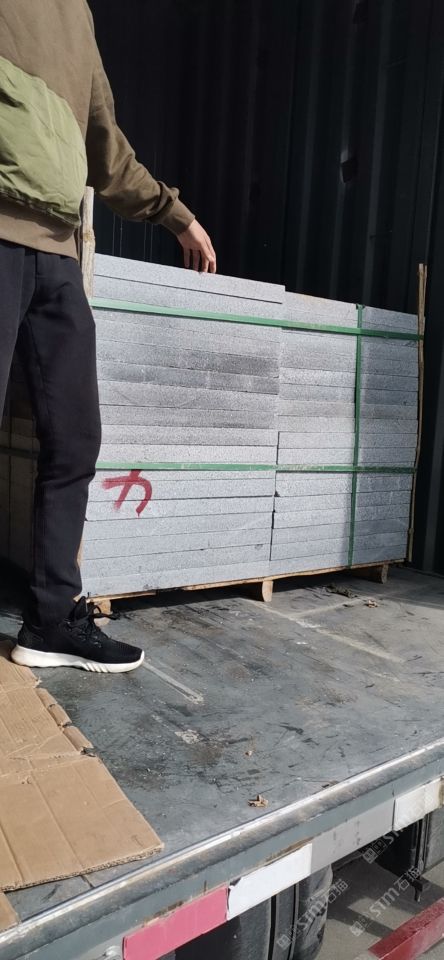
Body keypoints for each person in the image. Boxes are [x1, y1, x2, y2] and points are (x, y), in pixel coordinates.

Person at [0, 0, 216, 673]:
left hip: (58, 254)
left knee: (75, 438)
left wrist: (175, 215)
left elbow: (103, 143)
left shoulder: (77, 14)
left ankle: (50, 621)